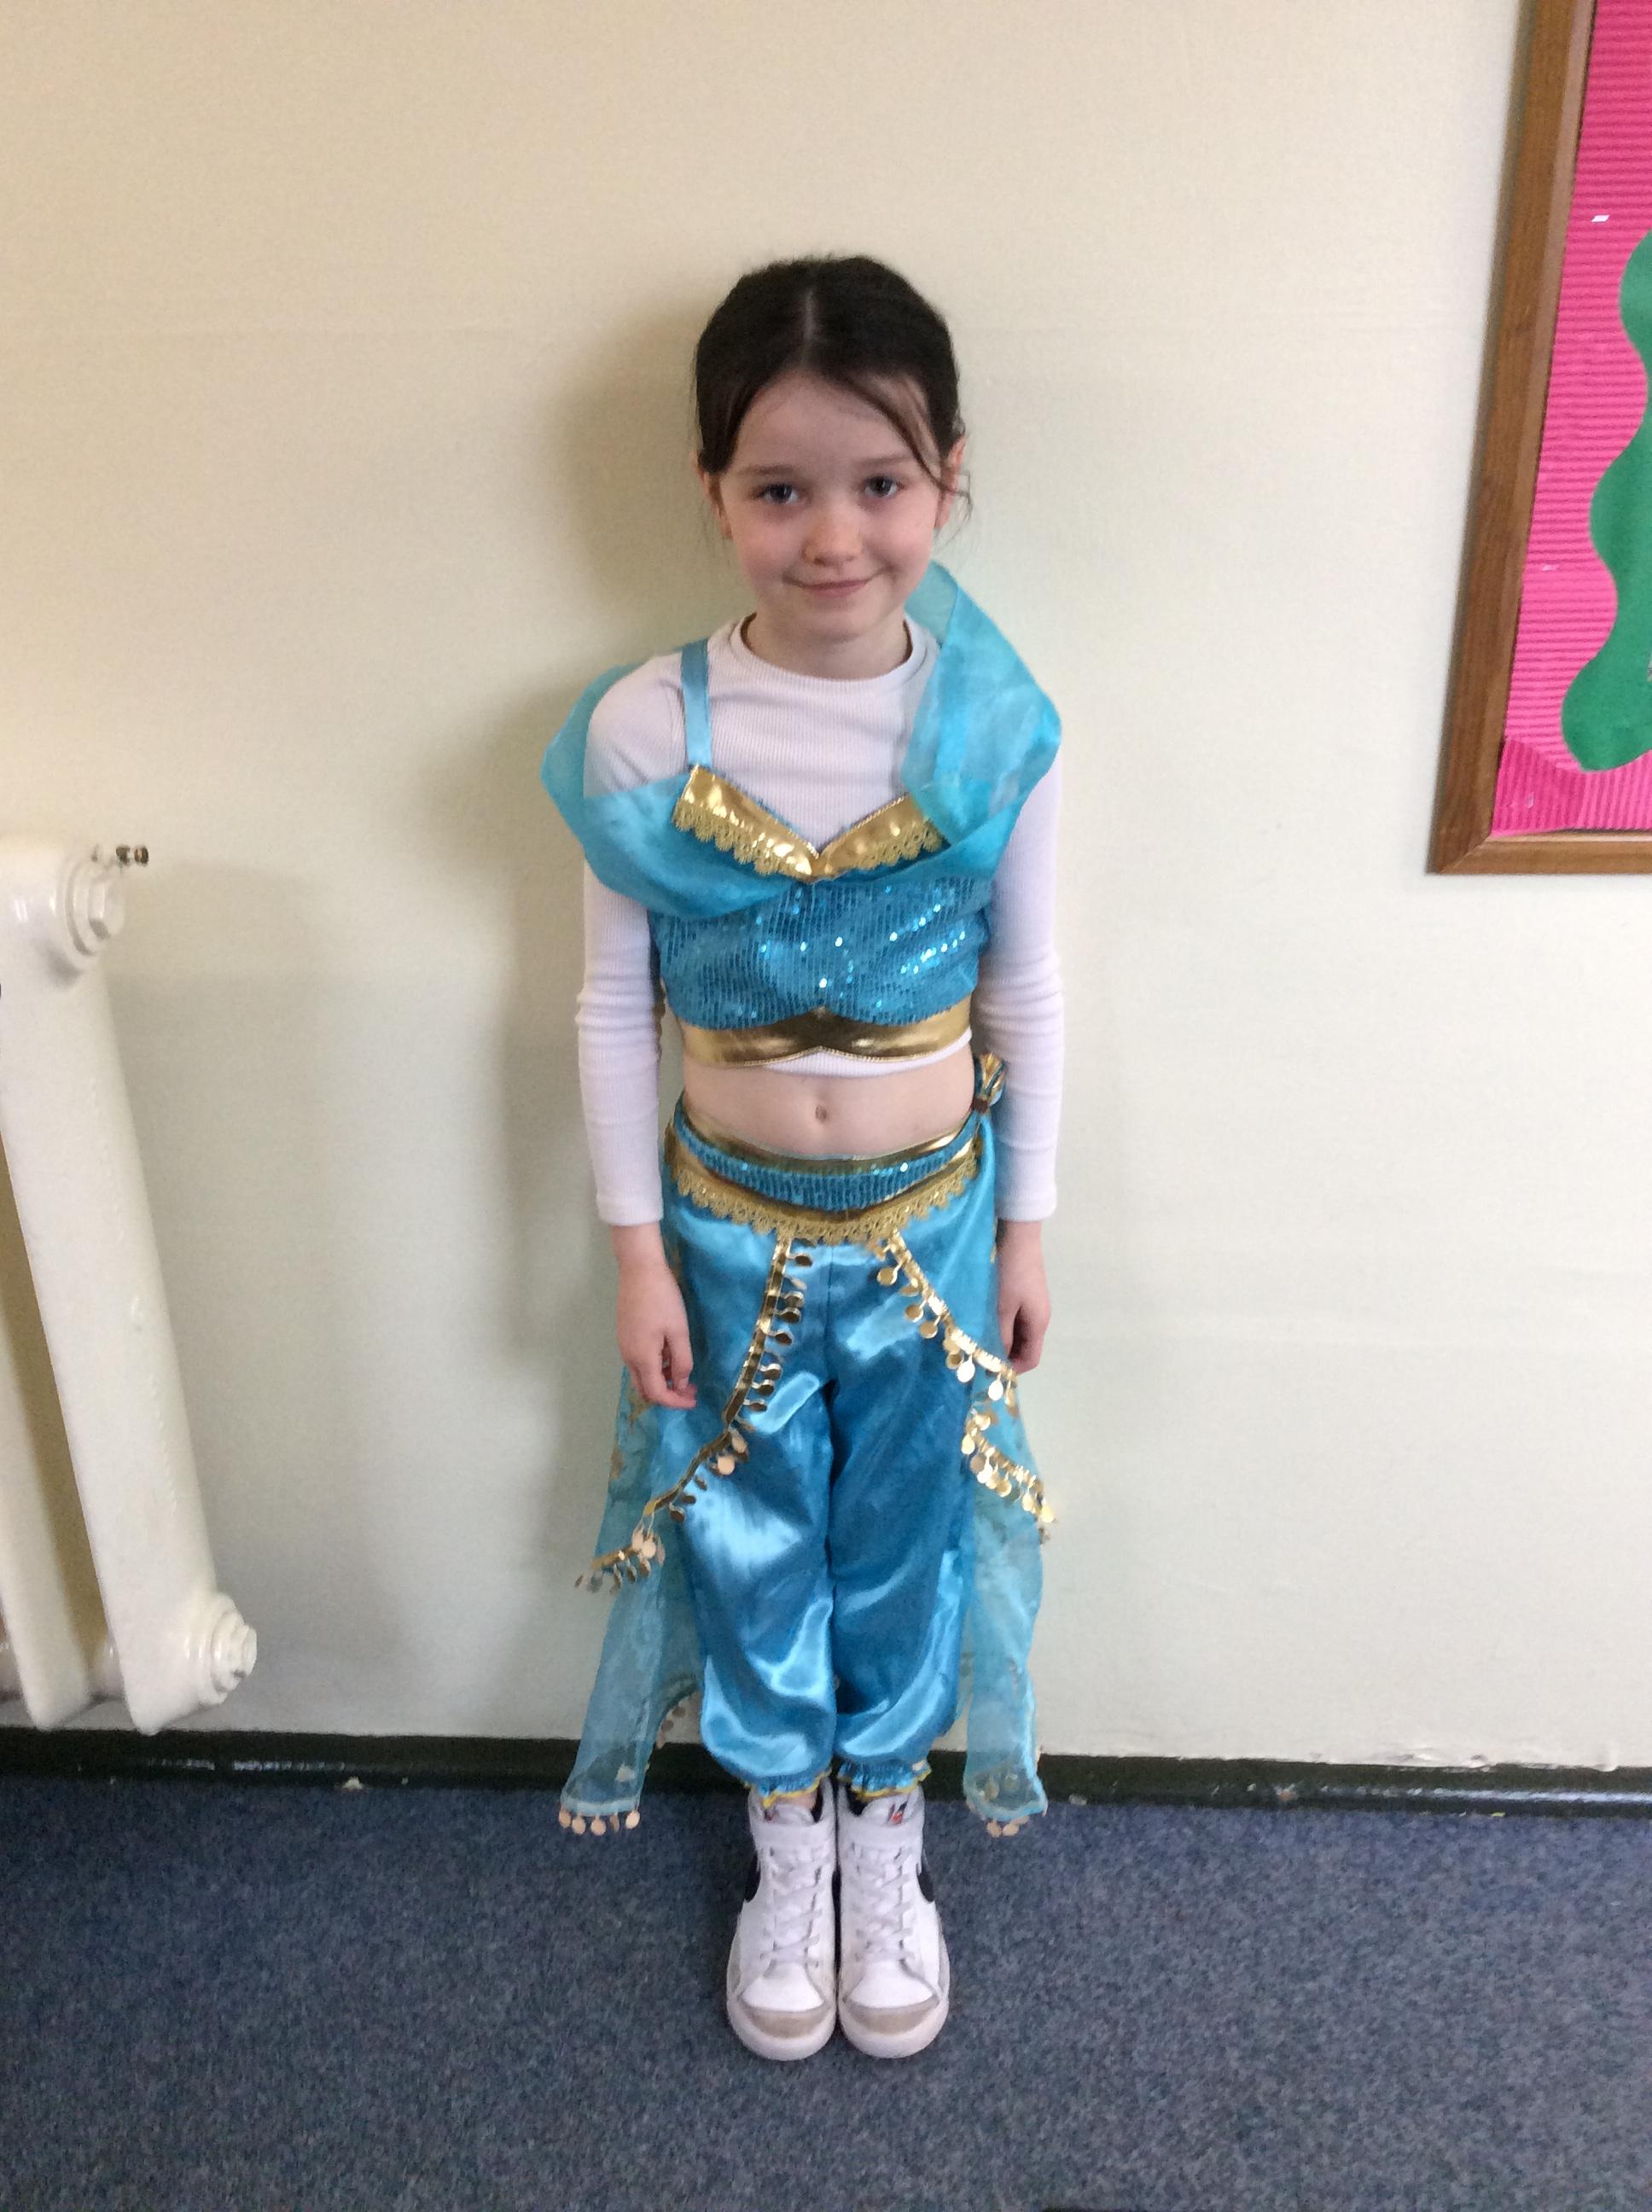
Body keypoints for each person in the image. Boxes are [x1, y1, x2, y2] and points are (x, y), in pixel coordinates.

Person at [540, 254, 1062, 2064]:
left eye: (879, 484)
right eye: (779, 489)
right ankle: (787, 1844)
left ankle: (884, 1837)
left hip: (934, 1226)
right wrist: (632, 1252)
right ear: (712, 493)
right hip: (722, 1232)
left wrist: (1031, 1227)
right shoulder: (644, 730)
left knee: (902, 1540)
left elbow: (1029, 990)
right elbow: (611, 1008)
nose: (832, 537)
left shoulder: (991, 727)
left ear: (947, 480)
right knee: (753, 1542)